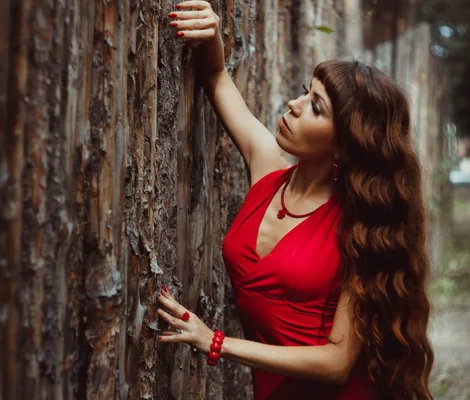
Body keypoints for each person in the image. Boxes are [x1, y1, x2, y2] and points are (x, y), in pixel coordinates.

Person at [156, 2, 434, 399]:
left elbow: (338, 364)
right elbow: (217, 77)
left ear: (345, 146)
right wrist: (212, 31)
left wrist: (215, 341)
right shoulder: (268, 172)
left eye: (316, 107)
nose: (294, 104)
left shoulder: (360, 230)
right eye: (307, 92)